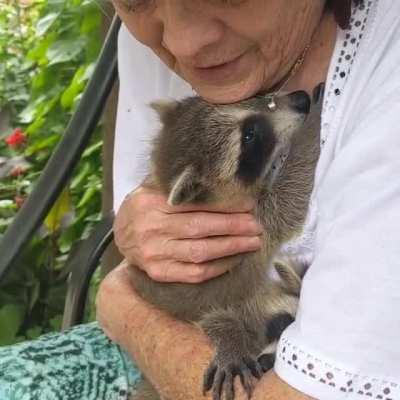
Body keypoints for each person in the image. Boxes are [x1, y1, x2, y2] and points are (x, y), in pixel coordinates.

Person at [0, 1, 399, 399]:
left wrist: (121, 305)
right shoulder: (152, 53)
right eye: (136, 0)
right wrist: (133, 231)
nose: (183, 43)